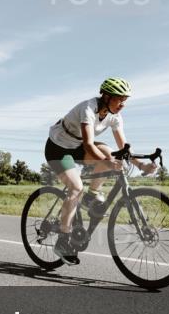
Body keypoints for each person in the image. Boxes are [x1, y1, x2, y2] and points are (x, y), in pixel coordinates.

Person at [44, 78, 156, 265]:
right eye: (120, 99)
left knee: (109, 152)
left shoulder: (115, 117)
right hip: (58, 148)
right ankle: (63, 240)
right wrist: (108, 162)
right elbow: (88, 144)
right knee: (75, 188)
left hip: (77, 146)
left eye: (125, 100)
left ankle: (91, 195)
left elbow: (123, 148)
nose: (123, 104)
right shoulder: (88, 109)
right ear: (106, 96)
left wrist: (141, 166)